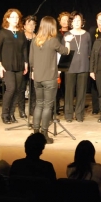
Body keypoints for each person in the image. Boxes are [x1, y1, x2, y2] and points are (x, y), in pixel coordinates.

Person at [30, 16, 72, 144]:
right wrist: (68, 41)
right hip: (49, 78)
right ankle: (44, 135)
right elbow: (66, 52)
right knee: (48, 106)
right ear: (52, 27)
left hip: (37, 78)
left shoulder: (34, 40)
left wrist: (33, 72)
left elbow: (31, 60)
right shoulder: (53, 41)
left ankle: (35, 134)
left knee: (39, 104)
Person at [0, 8, 28, 124]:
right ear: (8, 19)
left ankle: (11, 113)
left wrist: (26, 63)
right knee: (11, 89)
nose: (15, 19)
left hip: (19, 65)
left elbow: (24, 48)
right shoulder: (3, 33)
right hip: (7, 65)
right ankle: (4, 114)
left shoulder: (20, 33)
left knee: (18, 90)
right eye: (13, 17)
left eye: (17, 17)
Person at [63, 11, 91, 122]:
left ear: (82, 22)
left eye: (79, 20)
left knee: (81, 92)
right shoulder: (67, 35)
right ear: (71, 22)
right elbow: (64, 52)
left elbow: (89, 52)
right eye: (74, 20)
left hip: (83, 66)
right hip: (69, 67)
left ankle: (79, 114)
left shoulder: (87, 35)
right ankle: (68, 114)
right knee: (69, 92)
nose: (77, 22)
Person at [18, 15, 37, 119]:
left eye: (33, 24)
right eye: (29, 24)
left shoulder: (37, 37)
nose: (31, 26)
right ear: (24, 26)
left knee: (34, 88)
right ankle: (21, 110)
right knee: (21, 88)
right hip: (23, 65)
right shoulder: (21, 37)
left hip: (34, 66)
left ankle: (32, 110)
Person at [55, 11, 70, 115]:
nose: (65, 22)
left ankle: (67, 108)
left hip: (69, 62)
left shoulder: (72, 33)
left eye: (67, 20)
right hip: (58, 63)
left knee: (67, 87)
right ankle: (55, 108)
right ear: (59, 21)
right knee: (56, 87)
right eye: (63, 19)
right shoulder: (55, 34)